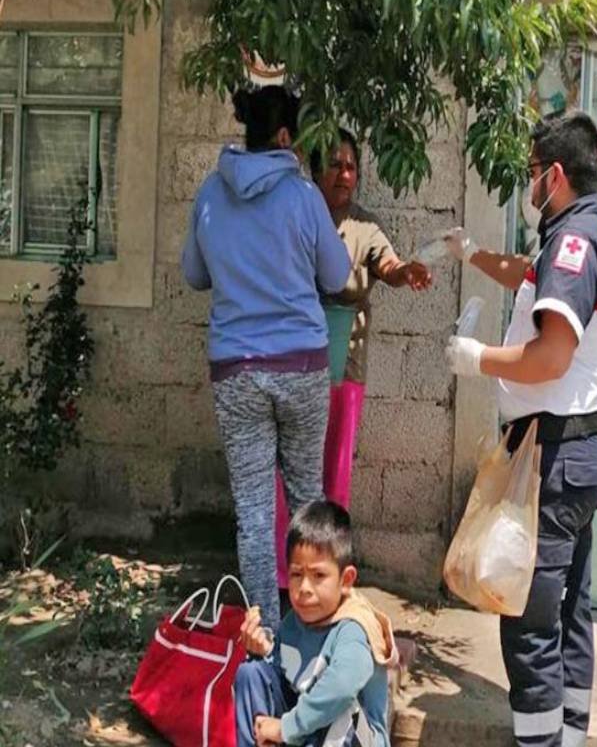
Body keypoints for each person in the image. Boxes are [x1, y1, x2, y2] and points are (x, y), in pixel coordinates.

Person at [445, 110, 597, 747]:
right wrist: (470, 255)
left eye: (529, 175)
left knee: (527, 621)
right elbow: (527, 273)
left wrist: (477, 359)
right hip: (572, 453)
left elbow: (550, 357)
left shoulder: (574, 247)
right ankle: (568, 738)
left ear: (554, 175)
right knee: (569, 610)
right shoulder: (577, 238)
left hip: (550, 457)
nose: (527, 187)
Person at [181, 86, 351, 636]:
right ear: (284, 138)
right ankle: (316, 629)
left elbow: (194, 274)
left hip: (236, 370)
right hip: (301, 365)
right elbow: (336, 275)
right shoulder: (303, 196)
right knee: (307, 499)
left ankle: (265, 639)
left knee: (253, 512)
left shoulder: (210, 192)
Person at [274, 128, 432, 587]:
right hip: (292, 360)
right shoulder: (295, 215)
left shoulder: (365, 228)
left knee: (333, 468)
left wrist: (407, 273)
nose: (344, 174)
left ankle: (328, 574)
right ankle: (286, 573)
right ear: (315, 169)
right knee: (288, 467)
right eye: (335, 165)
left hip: (345, 364)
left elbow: (389, 265)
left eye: (351, 166)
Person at [235, 501, 397, 747]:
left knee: (337, 711)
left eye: (319, 576)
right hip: (307, 730)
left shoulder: (354, 628)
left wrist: (285, 728)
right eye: (296, 575)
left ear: (346, 580)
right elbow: (289, 671)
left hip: (348, 737)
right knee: (251, 673)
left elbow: (342, 687)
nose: (304, 589)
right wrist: (263, 650)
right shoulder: (293, 621)